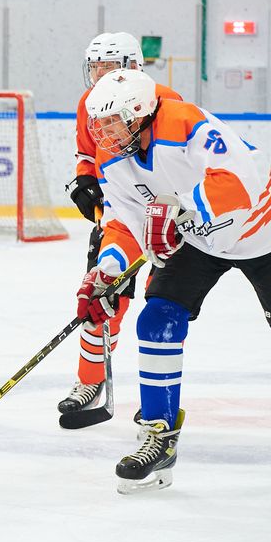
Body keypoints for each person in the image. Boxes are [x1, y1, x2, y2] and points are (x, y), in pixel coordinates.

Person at [77, 69, 271, 493]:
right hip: (196, 240)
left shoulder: (183, 122)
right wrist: (106, 271)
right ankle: (159, 435)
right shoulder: (112, 158)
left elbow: (239, 179)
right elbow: (127, 224)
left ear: (140, 112)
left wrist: (182, 209)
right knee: (157, 319)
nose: (103, 133)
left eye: (112, 122)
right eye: (99, 124)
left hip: (261, 229)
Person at [58, 32, 183, 423]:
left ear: (132, 67)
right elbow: (86, 152)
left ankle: (157, 398)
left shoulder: (166, 100)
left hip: (167, 220)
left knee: (160, 310)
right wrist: (85, 179)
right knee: (103, 299)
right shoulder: (89, 102)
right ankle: (89, 381)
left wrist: (179, 213)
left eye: (108, 67)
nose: (99, 75)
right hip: (119, 217)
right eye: (95, 67)